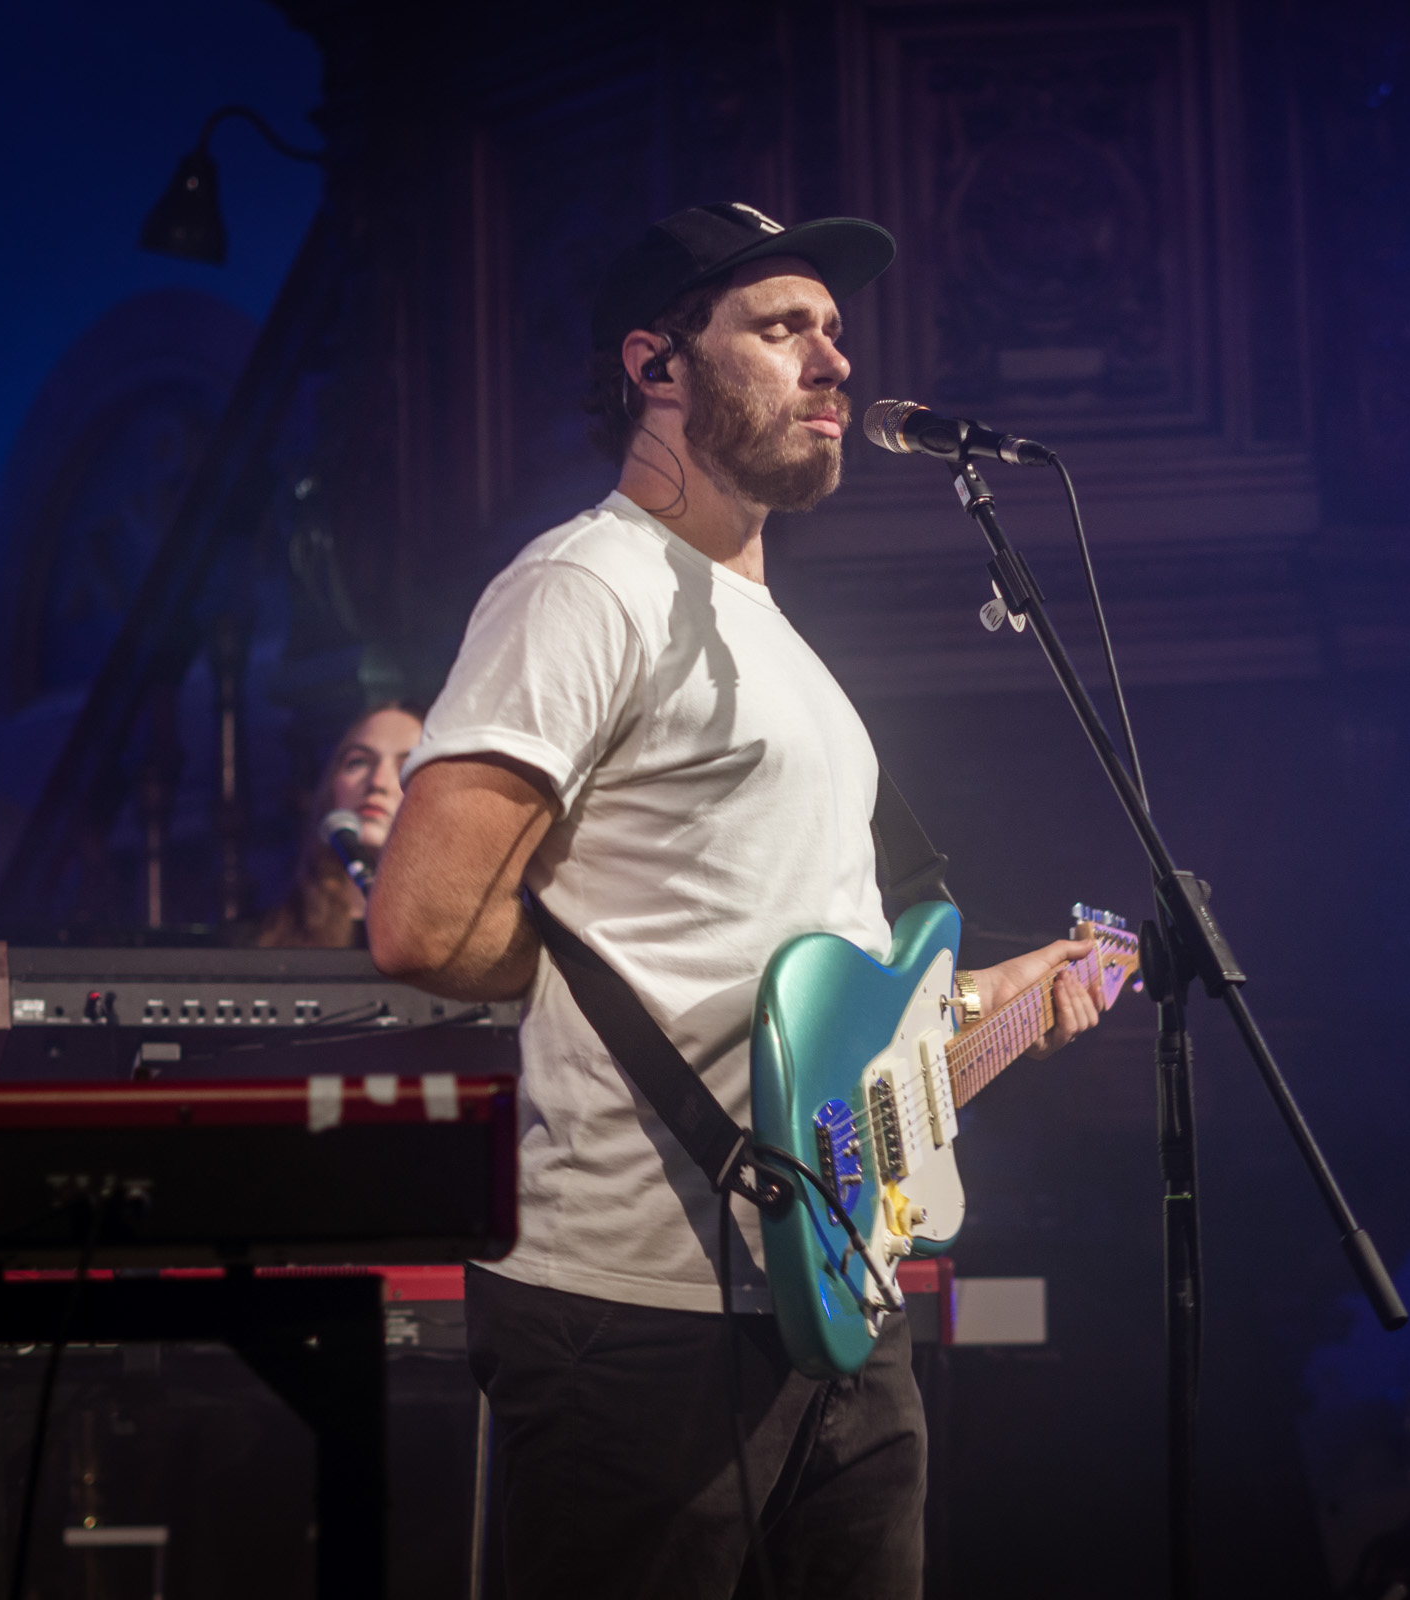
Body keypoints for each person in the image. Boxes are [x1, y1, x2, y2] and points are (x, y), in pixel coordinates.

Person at [369, 203, 1116, 1598]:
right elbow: (428, 925)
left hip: (835, 1291)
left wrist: (993, 1002)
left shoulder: (781, 646)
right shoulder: (584, 587)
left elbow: (805, 976)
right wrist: (630, 1015)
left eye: (835, 329)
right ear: (659, 364)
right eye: (782, 328)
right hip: (641, 1309)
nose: (833, 360)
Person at [257, 703, 424, 948]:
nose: (377, 782)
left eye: (406, 768)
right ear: (331, 790)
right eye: (358, 762)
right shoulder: (264, 942)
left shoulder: (459, 942)